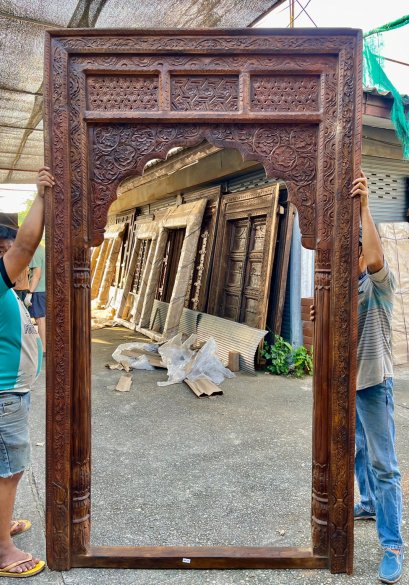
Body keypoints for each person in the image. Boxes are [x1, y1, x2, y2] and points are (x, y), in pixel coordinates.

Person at [311, 171, 404, 584]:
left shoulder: (380, 285)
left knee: (384, 465)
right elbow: (328, 338)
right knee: (357, 452)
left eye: (360, 248)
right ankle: (365, 503)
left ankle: (392, 545)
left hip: (374, 385)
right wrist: (322, 317)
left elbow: (378, 256)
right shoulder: (343, 292)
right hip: (347, 387)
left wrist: (365, 206)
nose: (358, 255)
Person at [0, 167, 54, 577]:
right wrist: (40, 195)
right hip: (4, 396)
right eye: (6, 244)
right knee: (8, 471)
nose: (12, 251)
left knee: (5, 468)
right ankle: (3, 550)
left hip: (8, 393)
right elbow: (28, 241)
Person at [26, 244, 46, 353]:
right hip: (44, 288)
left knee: (40, 319)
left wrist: (30, 292)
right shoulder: (42, 249)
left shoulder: (35, 251)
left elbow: (36, 274)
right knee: (43, 318)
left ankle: (43, 348)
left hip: (38, 289)